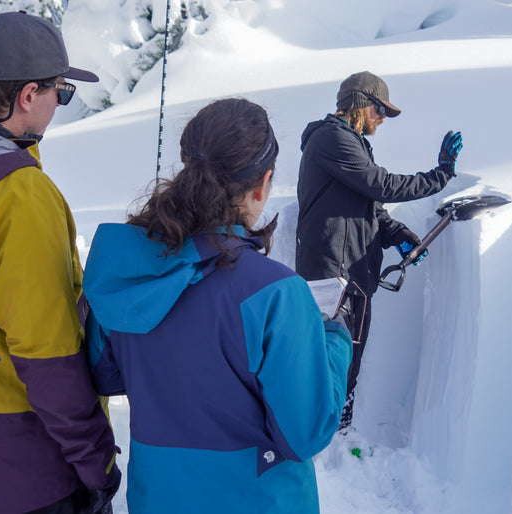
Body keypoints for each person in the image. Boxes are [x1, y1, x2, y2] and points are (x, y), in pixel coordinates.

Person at [82, 98, 353, 514]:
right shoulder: (277, 294)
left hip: (158, 498)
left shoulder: (128, 274)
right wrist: (332, 343)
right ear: (262, 185)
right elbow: (305, 433)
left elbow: (105, 373)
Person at [0, 11, 120, 514]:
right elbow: (47, 356)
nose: (60, 102)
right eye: (61, 92)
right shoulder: (19, 196)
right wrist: (98, 464)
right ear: (27, 96)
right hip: (26, 473)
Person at [295, 70, 463, 430]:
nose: (383, 119)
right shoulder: (331, 138)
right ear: (359, 103)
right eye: (379, 110)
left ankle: (337, 431)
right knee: (329, 358)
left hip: (353, 271)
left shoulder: (351, 143)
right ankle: (316, 434)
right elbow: (380, 185)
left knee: (349, 358)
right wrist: (440, 175)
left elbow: (368, 204)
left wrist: (397, 234)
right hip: (331, 273)